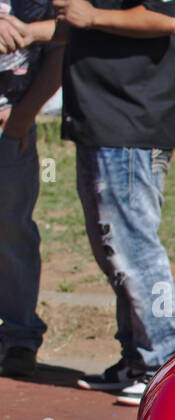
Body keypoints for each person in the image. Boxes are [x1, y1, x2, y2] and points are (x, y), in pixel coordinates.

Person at [54, 0, 175, 406]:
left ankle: (164, 363)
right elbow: (76, 23)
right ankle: (136, 358)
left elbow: (168, 19)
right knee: (113, 250)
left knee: (134, 249)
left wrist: (90, 16)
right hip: (101, 123)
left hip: (129, 128)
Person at [0, 3, 60, 379]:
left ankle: (20, 337)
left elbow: (64, 44)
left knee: (12, 231)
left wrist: (23, 117)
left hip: (9, 128)